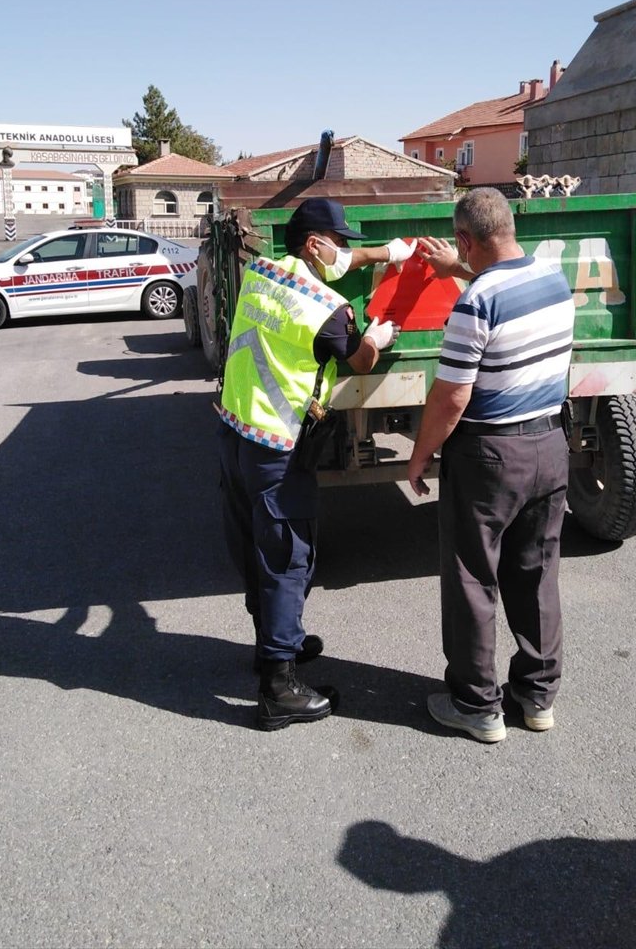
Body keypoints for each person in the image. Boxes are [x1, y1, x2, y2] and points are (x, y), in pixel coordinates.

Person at [218, 197, 414, 731]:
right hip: (278, 450)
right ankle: (279, 688)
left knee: (259, 550)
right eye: (339, 240)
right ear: (314, 244)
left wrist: (384, 253)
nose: (345, 250)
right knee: (288, 560)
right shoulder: (324, 309)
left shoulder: (262, 272)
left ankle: (272, 646)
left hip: (235, 432)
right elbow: (359, 359)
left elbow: (341, 263)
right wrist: (378, 335)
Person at [408, 187, 575, 743]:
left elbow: (451, 398)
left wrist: (420, 454)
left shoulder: (474, 304)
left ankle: (477, 707)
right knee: (537, 574)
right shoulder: (553, 278)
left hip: (489, 457)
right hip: (550, 446)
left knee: (472, 579)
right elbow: (498, 276)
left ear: (464, 239)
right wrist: (459, 266)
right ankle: (536, 698)